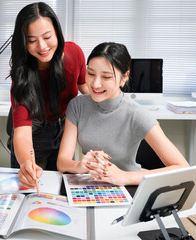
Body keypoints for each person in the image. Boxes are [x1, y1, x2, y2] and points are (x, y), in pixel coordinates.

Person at [57, 42, 189, 186]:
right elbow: (62, 162)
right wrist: (81, 165)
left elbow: (182, 168)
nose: (95, 84)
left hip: (129, 187)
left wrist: (125, 177)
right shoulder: (77, 106)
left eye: (106, 77)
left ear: (124, 77)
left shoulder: (137, 114)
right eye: (91, 73)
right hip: (91, 186)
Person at [9, 2, 88, 188]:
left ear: (57, 33)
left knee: (63, 188)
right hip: (34, 131)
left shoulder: (74, 53)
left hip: (64, 128)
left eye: (47, 37)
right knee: (30, 188)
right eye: (32, 40)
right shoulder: (23, 77)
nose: (42, 46)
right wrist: (26, 164)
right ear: (23, 42)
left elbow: (87, 90)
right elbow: (22, 135)